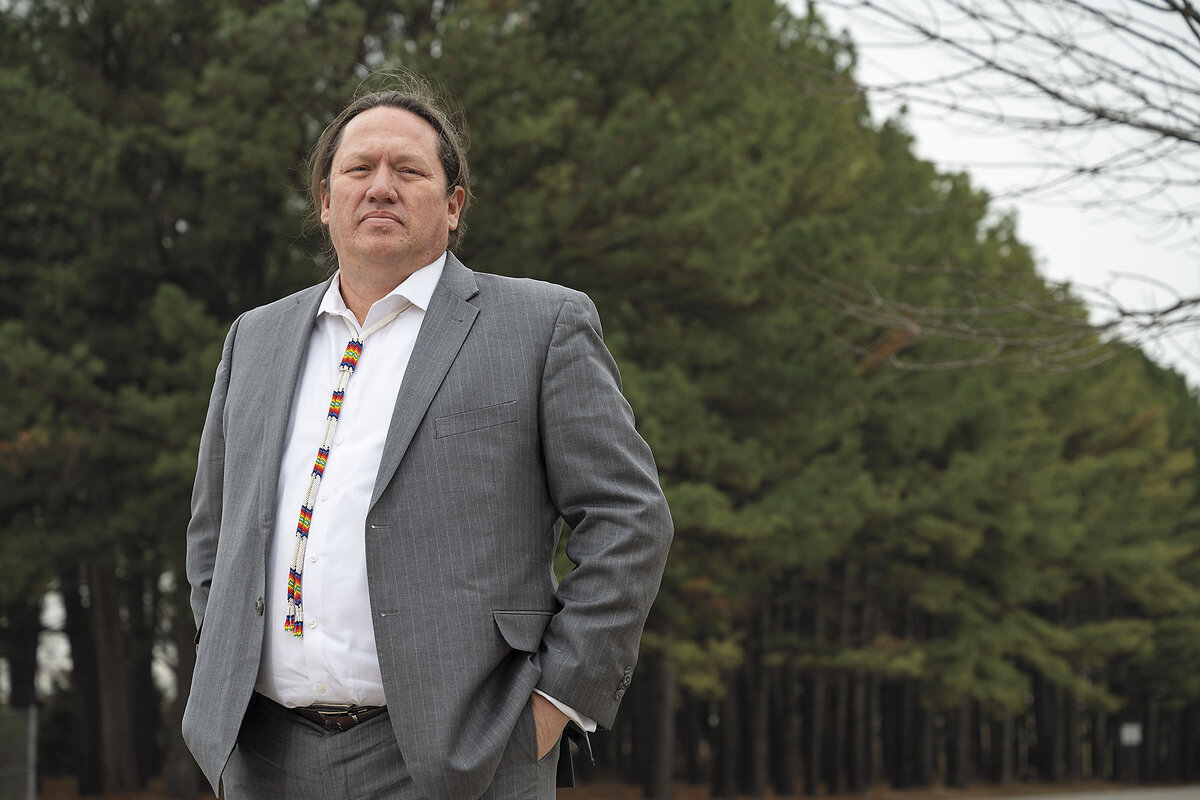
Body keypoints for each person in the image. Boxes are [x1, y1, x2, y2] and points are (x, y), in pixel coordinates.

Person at [180, 75, 673, 800]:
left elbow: (631, 522)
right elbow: (211, 538)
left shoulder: (539, 327)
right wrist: (224, 667)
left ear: (453, 205)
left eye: (408, 170)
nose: (380, 187)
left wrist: (554, 706)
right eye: (358, 169)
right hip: (264, 759)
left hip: (459, 763)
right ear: (325, 200)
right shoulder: (253, 338)